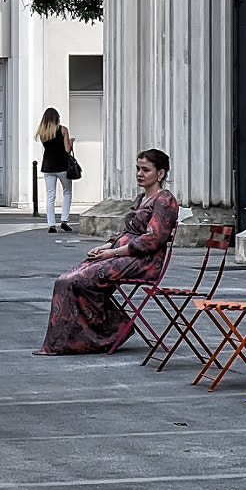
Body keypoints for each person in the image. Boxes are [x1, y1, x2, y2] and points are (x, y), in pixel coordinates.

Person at [35, 148, 179, 355]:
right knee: (66, 279)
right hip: (124, 254)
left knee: (78, 279)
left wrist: (113, 253)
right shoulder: (140, 199)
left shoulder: (164, 200)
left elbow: (152, 239)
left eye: (146, 170)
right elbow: (128, 231)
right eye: (138, 169)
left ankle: (113, 329)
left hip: (143, 261)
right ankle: (67, 341)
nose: (139, 173)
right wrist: (106, 246)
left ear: (160, 173)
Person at [37, 107, 76, 232]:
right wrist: (70, 142)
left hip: (48, 166)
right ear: (57, 118)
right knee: (67, 192)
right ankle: (64, 220)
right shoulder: (63, 130)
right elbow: (67, 150)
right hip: (62, 166)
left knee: (50, 196)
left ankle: (51, 224)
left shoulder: (42, 132)